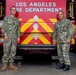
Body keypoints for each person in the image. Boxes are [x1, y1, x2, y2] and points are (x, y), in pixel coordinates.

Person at [1, 6, 20, 71]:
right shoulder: (6, 18)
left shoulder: (17, 20)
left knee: (13, 51)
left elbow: (18, 30)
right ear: (10, 11)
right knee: (6, 51)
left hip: (14, 38)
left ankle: (11, 65)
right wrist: (5, 35)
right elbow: (3, 28)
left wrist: (18, 37)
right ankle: (5, 65)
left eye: (15, 10)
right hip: (7, 38)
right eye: (12, 9)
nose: (14, 10)